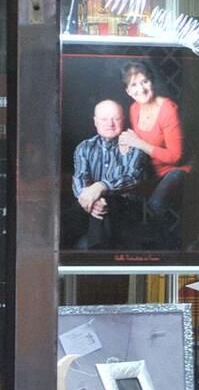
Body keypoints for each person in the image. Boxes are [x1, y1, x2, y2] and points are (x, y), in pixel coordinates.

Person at [118, 61, 190, 240]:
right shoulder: (134, 109)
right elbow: (138, 145)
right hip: (151, 171)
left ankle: (161, 248)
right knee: (122, 196)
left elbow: (176, 157)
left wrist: (139, 143)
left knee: (155, 205)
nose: (141, 89)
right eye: (134, 84)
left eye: (145, 81)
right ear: (127, 91)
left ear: (152, 82)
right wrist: (127, 144)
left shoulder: (168, 110)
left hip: (174, 171)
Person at [71, 100, 154, 250]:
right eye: (104, 119)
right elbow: (80, 178)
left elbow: (133, 177)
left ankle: (97, 254)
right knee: (81, 208)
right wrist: (90, 199)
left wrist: (101, 186)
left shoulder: (134, 144)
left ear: (123, 120)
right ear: (95, 122)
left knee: (107, 202)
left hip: (127, 212)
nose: (110, 124)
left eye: (116, 118)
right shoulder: (84, 147)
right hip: (90, 211)